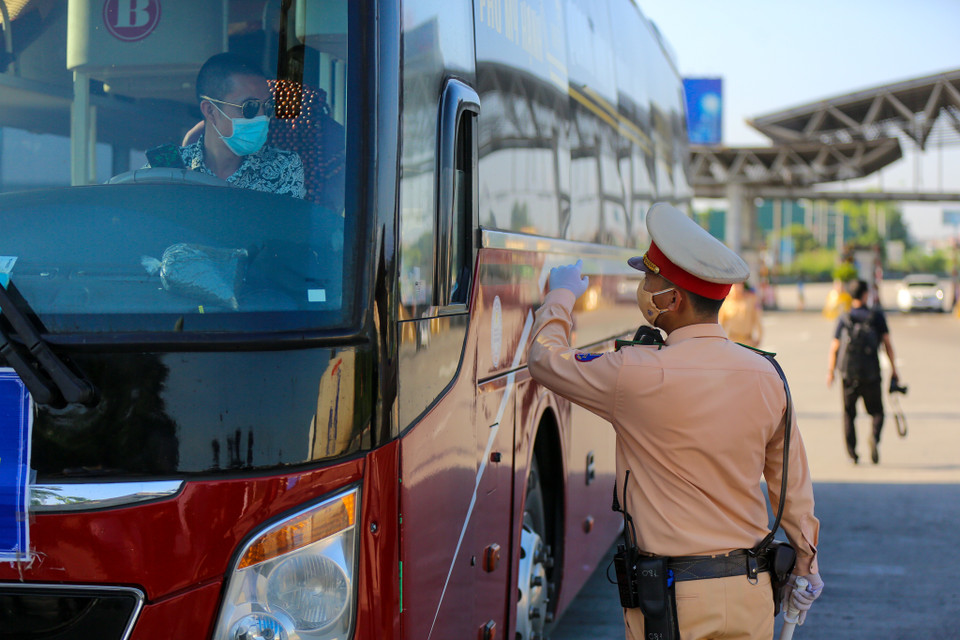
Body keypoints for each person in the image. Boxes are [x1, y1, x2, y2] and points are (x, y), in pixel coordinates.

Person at [528, 203, 822, 640]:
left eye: (649, 280)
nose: (642, 288)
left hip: (673, 601)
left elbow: (544, 359)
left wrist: (561, 295)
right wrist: (807, 566)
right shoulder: (768, 376)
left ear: (673, 299)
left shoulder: (635, 372)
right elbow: (791, 488)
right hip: (751, 594)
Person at [147, 53, 305, 198]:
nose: (262, 117)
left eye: (268, 106)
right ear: (210, 111)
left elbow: (283, 227)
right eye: (249, 107)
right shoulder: (165, 170)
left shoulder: (283, 166)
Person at [826, 279, 899, 464]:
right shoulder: (876, 317)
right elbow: (887, 345)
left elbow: (834, 347)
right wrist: (894, 370)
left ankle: (853, 453)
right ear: (865, 294)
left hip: (849, 375)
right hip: (871, 374)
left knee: (849, 414)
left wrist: (831, 372)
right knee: (877, 412)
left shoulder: (844, 318)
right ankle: (874, 438)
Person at [718, 281, 764, 347]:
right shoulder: (726, 302)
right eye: (734, 285)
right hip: (732, 342)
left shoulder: (751, 299)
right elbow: (721, 324)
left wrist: (759, 338)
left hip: (748, 341)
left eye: (739, 284)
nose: (737, 287)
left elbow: (757, 319)